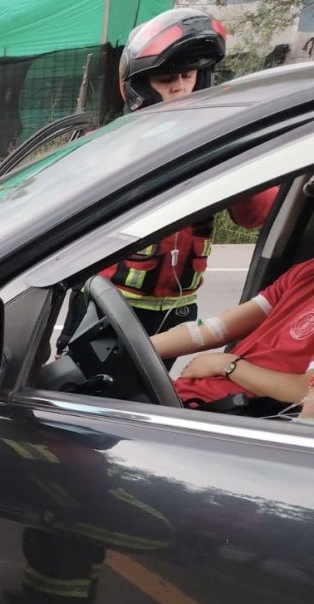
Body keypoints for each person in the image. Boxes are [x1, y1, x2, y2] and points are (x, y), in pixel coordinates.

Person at [57, 7, 278, 354]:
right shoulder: (108, 145)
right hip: (110, 304)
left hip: (179, 309)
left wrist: (234, 153)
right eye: (167, 80)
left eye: (189, 76)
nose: (181, 89)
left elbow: (256, 216)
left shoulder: (217, 145)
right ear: (140, 85)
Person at [152, 257, 314, 410]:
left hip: (233, 416)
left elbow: (306, 392)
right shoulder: (306, 272)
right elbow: (217, 328)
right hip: (185, 399)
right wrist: (135, 347)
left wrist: (227, 365)